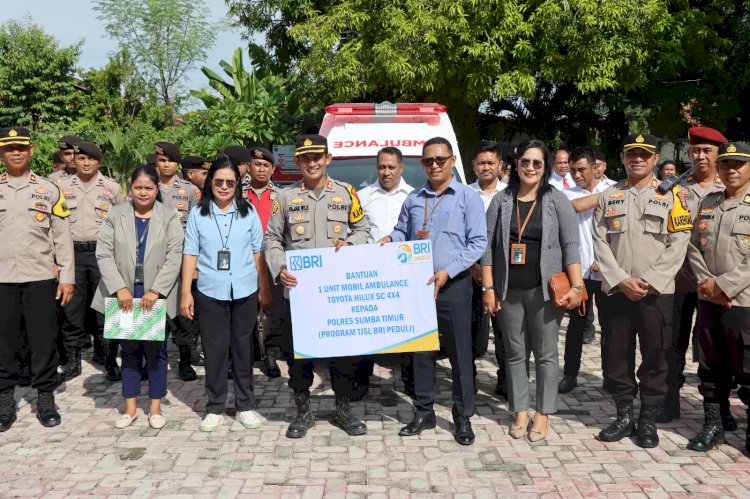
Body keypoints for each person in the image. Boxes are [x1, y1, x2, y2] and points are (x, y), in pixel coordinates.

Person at [381, 136, 487, 446]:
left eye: (440, 159)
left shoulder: (468, 198)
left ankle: (462, 417)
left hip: (454, 285)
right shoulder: (414, 198)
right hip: (419, 286)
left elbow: (477, 243)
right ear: (422, 164)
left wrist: (448, 271)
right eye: (428, 160)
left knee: (460, 355)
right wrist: (390, 240)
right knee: (421, 354)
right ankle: (424, 412)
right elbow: (403, 231)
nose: (435, 165)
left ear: (452, 161)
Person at [265, 134, 371, 439]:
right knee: (299, 356)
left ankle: (343, 410)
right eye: (305, 158)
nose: (312, 163)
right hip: (298, 293)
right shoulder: (284, 198)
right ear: (297, 161)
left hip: (336, 293)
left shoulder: (346, 193)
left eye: (317, 157)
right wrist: (280, 267)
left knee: (342, 354)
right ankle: (303, 412)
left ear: (327, 159)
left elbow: (362, 227)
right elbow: (272, 238)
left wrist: (350, 244)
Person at [592, 133, 692, 448]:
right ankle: (623, 416)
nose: (638, 159)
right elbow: (599, 241)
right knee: (616, 356)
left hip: (656, 293)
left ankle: (648, 419)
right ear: (622, 158)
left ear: (653, 160)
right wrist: (621, 279)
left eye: (644, 155)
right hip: (617, 292)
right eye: (632, 154)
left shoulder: (673, 195)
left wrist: (649, 279)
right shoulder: (609, 196)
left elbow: (679, 243)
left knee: (656, 357)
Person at [480, 139, 583, 443]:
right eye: (525, 162)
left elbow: (570, 245)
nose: (530, 168)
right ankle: (519, 410)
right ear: (515, 164)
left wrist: (577, 286)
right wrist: (488, 286)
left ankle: (543, 413)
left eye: (537, 163)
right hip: (509, 289)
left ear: (545, 167)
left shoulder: (557, 200)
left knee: (546, 355)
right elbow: (486, 247)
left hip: (545, 291)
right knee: (514, 354)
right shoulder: (501, 200)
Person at [181, 156, 270, 432]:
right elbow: (190, 253)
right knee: (215, 350)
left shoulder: (248, 212)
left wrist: (264, 287)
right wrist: (186, 292)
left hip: (244, 289)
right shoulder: (198, 213)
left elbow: (258, 251)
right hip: (210, 290)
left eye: (230, 182)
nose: (224, 187)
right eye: (218, 181)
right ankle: (215, 406)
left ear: (237, 185)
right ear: (210, 183)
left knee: (243, 350)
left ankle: (245, 405)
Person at [92, 165, 184, 429]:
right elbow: (104, 253)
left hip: (155, 293)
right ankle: (130, 407)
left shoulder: (168, 216)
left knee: (156, 352)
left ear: (157, 190)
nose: (143, 193)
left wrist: (157, 291)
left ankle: (155, 407)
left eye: (149, 188)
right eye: (138, 188)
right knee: (129, 350)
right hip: (124, 293)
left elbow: (174, 256)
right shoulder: (116, 214)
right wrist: (119, 287)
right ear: (129, 189)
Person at [0, 127, 74, 431]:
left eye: (21, 148)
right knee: (3, 340)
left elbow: (62, 237)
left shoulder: (48, 189)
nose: (16, 152)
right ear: (2, 153)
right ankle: (5, 398)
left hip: (40, 277)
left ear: (31, 151)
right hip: (2, 277)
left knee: (43, 339)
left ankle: (45, 396)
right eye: (9, 148)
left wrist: (67, 276)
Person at [685, 141, 750, 451]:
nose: (731, 169)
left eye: (738, 164)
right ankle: (713, 425)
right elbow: (693, 244)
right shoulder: (708, 202)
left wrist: (725, 285)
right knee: (711, 366)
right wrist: (707, 282)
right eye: (725, 164)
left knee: (747, 367)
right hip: (709, 299)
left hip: (744, 301)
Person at [663, 127, 730, 424]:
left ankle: (721, 406)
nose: (700, 156)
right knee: (671, 341)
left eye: (707, 151)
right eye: (696, 151)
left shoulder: (728, 187)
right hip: (678, 278)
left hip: (715, 282)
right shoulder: (675, 188)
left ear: (718, 155)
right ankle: (669, 400)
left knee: (715, 344)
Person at [56, 142, 125, 382]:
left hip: (102, 255)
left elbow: (122, 225)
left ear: (99, 162)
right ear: (74, 160)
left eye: (91, 159)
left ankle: (109, 360)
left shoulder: (112, 188)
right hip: (72, 255)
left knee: (107, 307)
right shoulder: (60, 187)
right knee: (72, 308)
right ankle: (73, 362)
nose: (86, 163)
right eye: (81, 158)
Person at [355, 146, 414, 398]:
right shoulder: (362, 196)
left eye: (391, 167)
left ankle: (411, 381)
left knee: (408, 330)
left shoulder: (414, 196)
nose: (386, 172)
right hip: (370, 274)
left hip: (405, 273)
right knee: (367, 329)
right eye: (382, 167)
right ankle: (361, 380)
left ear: (401, 167)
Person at [558, 147, 609, 394]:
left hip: (608, 270)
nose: (576, 174)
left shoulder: (611, 188)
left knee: (611, 328)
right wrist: (613, 195)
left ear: (595, 168)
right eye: (573, 169)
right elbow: (575, 206)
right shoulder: (563, 192)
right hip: (578, 272)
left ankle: (611, 376)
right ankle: (570, 374)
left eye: (582, 170)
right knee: (576, 326)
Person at [154, 142, 201, 381]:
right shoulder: (147, 185)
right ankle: (151, 361)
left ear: (177, 164)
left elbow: (197, 228)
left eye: (170, 161)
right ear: (156, 162)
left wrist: (196, 265)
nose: (166, 164)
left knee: (185, 314)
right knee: (153, 307)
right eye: (162, 160)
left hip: (183, 258)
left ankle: (185, 361)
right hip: (154, 259)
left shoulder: (190, 191)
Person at [467, 141, 508, 397]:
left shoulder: (511, 194)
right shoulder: (463, 193)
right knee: (470, 330)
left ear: (500, 166)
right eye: (481, 162)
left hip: (503, 275)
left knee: (504, 331)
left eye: (490, 162)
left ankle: (506, 380)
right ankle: (467, 379)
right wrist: (473, 267)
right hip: (469, 271)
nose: (485, 167)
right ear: (473, 166)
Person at [244, 146, 284, 378]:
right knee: (245, 307)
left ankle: (271, 353)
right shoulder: (237, 194)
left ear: (272, 169)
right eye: (257, 164)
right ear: (249, 166)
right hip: (243, 261)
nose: (261, 169)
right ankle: (247, 354)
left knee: (274, 307)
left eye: (266, 165)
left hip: (270, 259)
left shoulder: (281, 195)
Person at [180, 155, 210, 368]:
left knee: (194, 311)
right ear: (190, 174)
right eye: (205, 173)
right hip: (166, 260)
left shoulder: (202, 197)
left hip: (195, 261)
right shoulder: (155, 190)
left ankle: (189, 354)